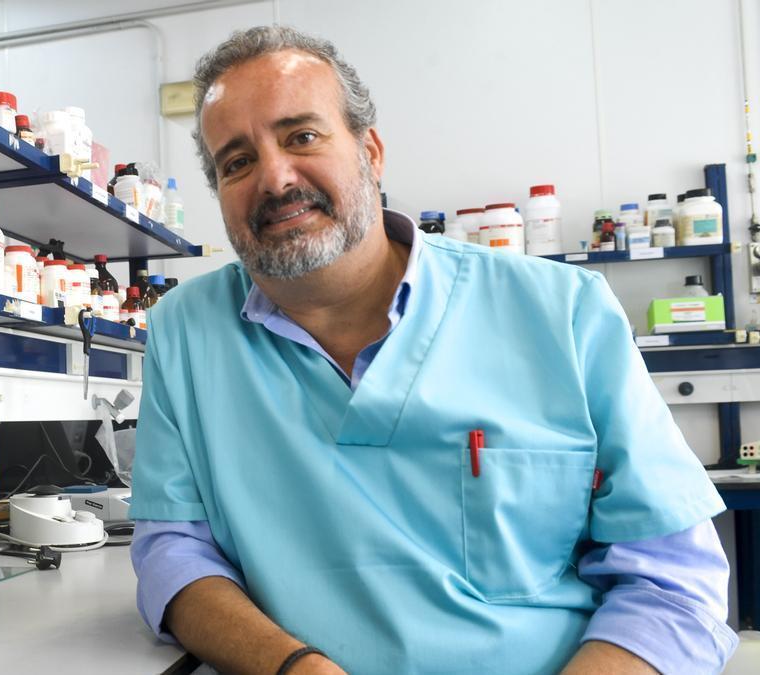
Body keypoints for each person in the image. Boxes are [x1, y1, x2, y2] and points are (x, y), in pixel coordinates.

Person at [128, 25, 737, 675]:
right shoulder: (186, 330)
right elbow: (173, 550)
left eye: (301, 136)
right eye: (237, 161)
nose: (275, 178)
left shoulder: (563, 312)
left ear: (372, 153)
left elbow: (673, 585)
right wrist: (295, 667)